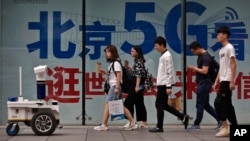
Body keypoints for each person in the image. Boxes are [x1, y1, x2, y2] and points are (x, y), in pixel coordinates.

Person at [149, 36, 189, 132]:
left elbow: (169, 71)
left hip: (164, 85)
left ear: (162, 45)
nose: (155, 47)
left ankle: (159, 126)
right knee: (164, 105)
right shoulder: (163, 55)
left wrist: (168, 86)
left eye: (156, 45)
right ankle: (183, 117)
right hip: (162, 84)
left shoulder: (167, 56)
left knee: (159, 104)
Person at [94, 45, 139, 131]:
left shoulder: (116, 63)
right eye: (106, 52)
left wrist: (117, 87)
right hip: (115, 86)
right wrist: (104, 72)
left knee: (107, 104)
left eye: (108, 52)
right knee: (120, 106)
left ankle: (104, 124)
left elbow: (118, 75)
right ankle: (133, 122)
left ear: (113, 52)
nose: (107, 54)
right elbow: (113, 74)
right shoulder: (113, 63)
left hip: (115, 86)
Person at [187, 41, 221, 130]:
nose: (194, 54)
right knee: (205, 105)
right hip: (204, 82)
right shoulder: (202, 56)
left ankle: (197, 124)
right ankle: (220, 120)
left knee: (200, 104)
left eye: (194, 52)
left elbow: (205, 71)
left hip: (204, 83)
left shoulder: (205, 57)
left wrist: (194, 68)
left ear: (198, 48)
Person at [213, 26, 238, 137]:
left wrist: (232, 81)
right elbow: (221, 67)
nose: (217, 36)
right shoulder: (222, 50)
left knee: (218, 103)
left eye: (219, 34)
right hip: (223, 80)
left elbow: (233, 64)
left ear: (225, 35)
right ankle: (236, 129)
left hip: (227, 80)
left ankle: (225, 126)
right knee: (228, 105)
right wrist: (216, 81)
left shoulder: (229, 47)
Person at [123, 45, 148, 128]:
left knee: (127, 103)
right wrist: (129, 69)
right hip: (138, 85)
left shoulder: (139, 62)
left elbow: (138, 75)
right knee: (139, 103)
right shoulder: (138, 61)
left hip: (136, 85)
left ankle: (131, 121)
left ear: (137, 52)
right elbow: (137, 73)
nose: (131, 52)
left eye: (133, 51)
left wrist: (137, 86)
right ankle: (144, 122)